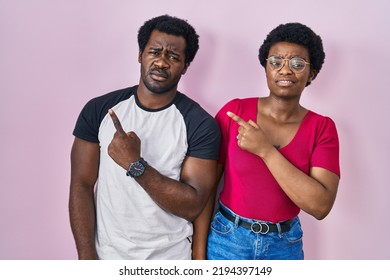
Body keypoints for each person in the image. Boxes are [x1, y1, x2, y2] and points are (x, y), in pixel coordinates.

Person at [69, 15, 221, 260]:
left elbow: (192, 206)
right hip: (108, 256)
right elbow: (81, 185)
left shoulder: (200, 124)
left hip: (171, 259)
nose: (162, 62)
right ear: (141, 55)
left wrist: (134, 164)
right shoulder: (99, 110)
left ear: (185, 66)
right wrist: (87, 258)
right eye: (155, 51)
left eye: (173, 56)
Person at [204, 23, 340, 260]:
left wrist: (266, 150)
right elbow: (207, 188)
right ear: (266, 67)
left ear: (312, 73)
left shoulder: (322, 128)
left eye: (298, 64)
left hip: (284, 246)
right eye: (276, 61)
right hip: (227, 239)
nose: (285, 70)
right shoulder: (234, 111)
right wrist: (197, 251)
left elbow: (320, 206)